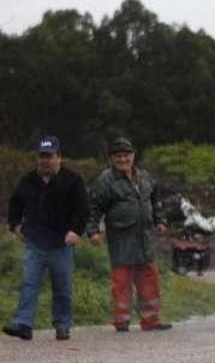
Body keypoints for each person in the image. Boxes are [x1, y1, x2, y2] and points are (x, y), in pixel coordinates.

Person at [4, 136, 89, 341]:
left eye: (49, 157)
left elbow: (82, 209)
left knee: (62, 287)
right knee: (29, 283)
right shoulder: (28, 180)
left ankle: (62, 325)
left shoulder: (73, 180)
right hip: (35, 242)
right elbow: (15, 204)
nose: (45, 161)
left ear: (59, 157)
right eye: (42, 157)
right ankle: (23, 324)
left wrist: (75, 231)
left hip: (61, 243)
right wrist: (15, 225)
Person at [87, 137, 172, 332]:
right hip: (121, 239)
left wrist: (160, 220)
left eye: (126, 155)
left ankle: (151, 320)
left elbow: (155, 199)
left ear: (133, 156)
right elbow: (94, 208)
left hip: (145, 238)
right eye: (118, 156)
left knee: (149, 279)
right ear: (111, 159)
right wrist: (93, 231)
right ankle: (122, 321)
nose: (123, 159)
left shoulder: (144, 177)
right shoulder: (105, 180)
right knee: (122, 281)